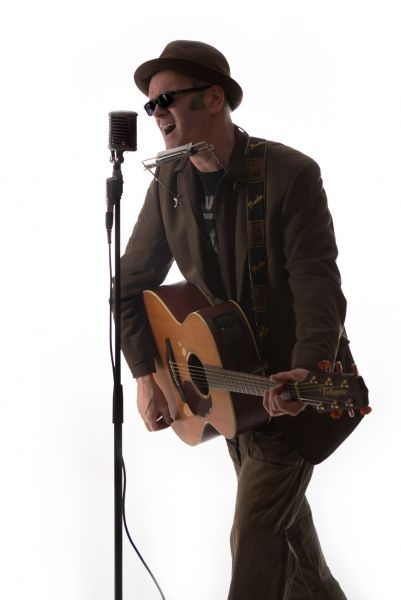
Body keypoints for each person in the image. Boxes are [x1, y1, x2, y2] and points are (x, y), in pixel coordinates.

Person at [119, 40, 351, 599]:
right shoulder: (169, 185)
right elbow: (127, 286)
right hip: (226, 395)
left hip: (291, 390)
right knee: (290, 541)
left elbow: (317, 285)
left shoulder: (289, 175)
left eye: (168, 99)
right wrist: (146, 375)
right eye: (151, 105)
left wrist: (307, 369)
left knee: (254, 541)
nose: (157, 114)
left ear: (215, 98)